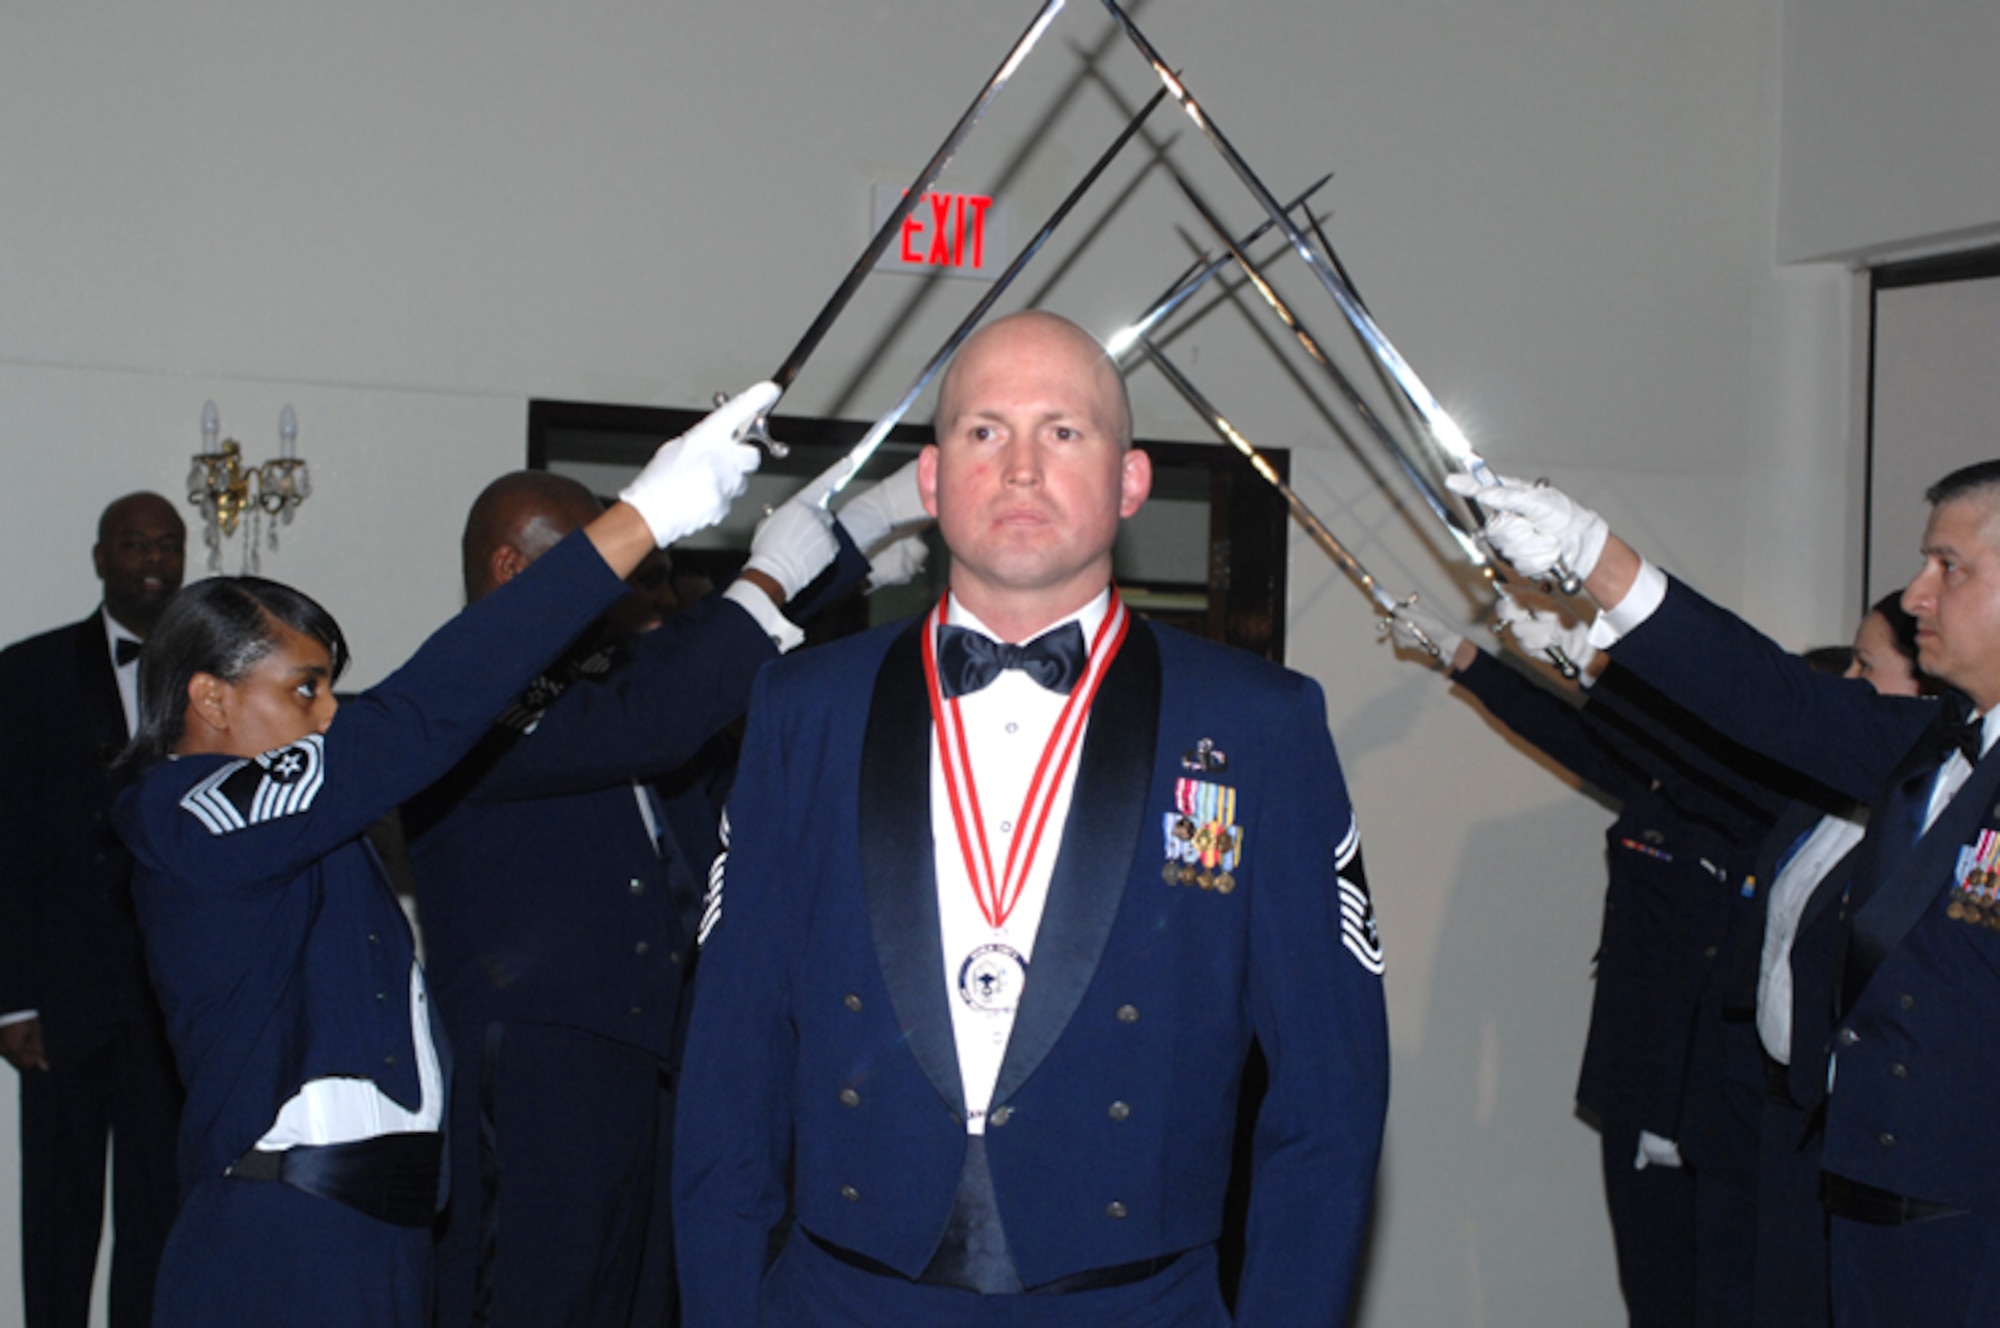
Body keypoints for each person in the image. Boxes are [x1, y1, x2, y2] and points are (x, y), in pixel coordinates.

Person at [673, 311, 1390, 1327]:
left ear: (1130, 481)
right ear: (928, 483)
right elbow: (725, 1074)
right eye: (982, 431)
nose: (1018, 467)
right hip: (839, 1302)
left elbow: (1328, 1105)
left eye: (1062, 431)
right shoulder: (804, 708)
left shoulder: (1257, 726)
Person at [109, 387, 774, 1328]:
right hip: (281, 1231)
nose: (329, 711)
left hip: (387, 1229)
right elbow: (420, 715)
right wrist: (637, 524)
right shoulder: (180, 812)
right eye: (305, 689)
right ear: (213, 701)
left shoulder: (304, 826)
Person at [1457, 460, 2000, 1328]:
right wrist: (1595, 556)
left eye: (1949, 566)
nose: (1916, 594)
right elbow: (1770, 698)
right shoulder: (1935, 743)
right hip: (1869, 1212)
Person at [407, 459, 928, 1328]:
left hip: (652, 1053)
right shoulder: (461, 692)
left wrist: (863, 531)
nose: (616, 588)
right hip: (542, 1067)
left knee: (643, 1298)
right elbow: (657, 711)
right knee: (536, 1298)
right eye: (596, 563)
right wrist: (768, 577)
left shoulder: (597, 675)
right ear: (513, 571)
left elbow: (688, 667)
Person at [1389, 594, 1793, 1328]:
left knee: (1728, 1302)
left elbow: (1644, 743)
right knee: (1656, 1298)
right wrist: (1465, 657)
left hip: (1716, 1103)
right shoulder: (1668, 784)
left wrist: (1582, 668)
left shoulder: (1757, 804)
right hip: (1639, 1085)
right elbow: (1566, 733)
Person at [0, 493, 187, 1328]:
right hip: (62, 998)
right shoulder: (27, 672)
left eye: (168, 543)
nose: (152, 557)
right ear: (101, 558)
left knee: (161, 1211)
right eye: (133, 542)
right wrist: (13, 999)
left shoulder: (213, 674)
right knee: (59, 1215)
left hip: (173, 996)